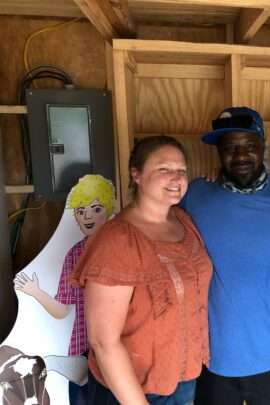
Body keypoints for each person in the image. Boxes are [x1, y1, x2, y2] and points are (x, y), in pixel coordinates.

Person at [71, 135, 212, 404]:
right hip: (132, 390)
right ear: (136, 174)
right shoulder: (117, 240)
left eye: (182, 170)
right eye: (164, 169)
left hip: (183, 379)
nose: (176, 178)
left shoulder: (184, 221)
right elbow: (103, 342)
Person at [182, 107, 270, 405]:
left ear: (263, 145)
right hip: (213, 362)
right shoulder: (195, 196)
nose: (240, 156)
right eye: (230, 148)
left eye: (249, 145)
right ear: (218, 153)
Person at [14, 174, 115, 405]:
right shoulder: (74, 254)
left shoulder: (121, 248)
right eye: (81, 211)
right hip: (82, 350)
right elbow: (63, 310)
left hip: (117, 346)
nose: (87, 216)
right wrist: (35, 292)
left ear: (109, 209)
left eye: (96, 209)